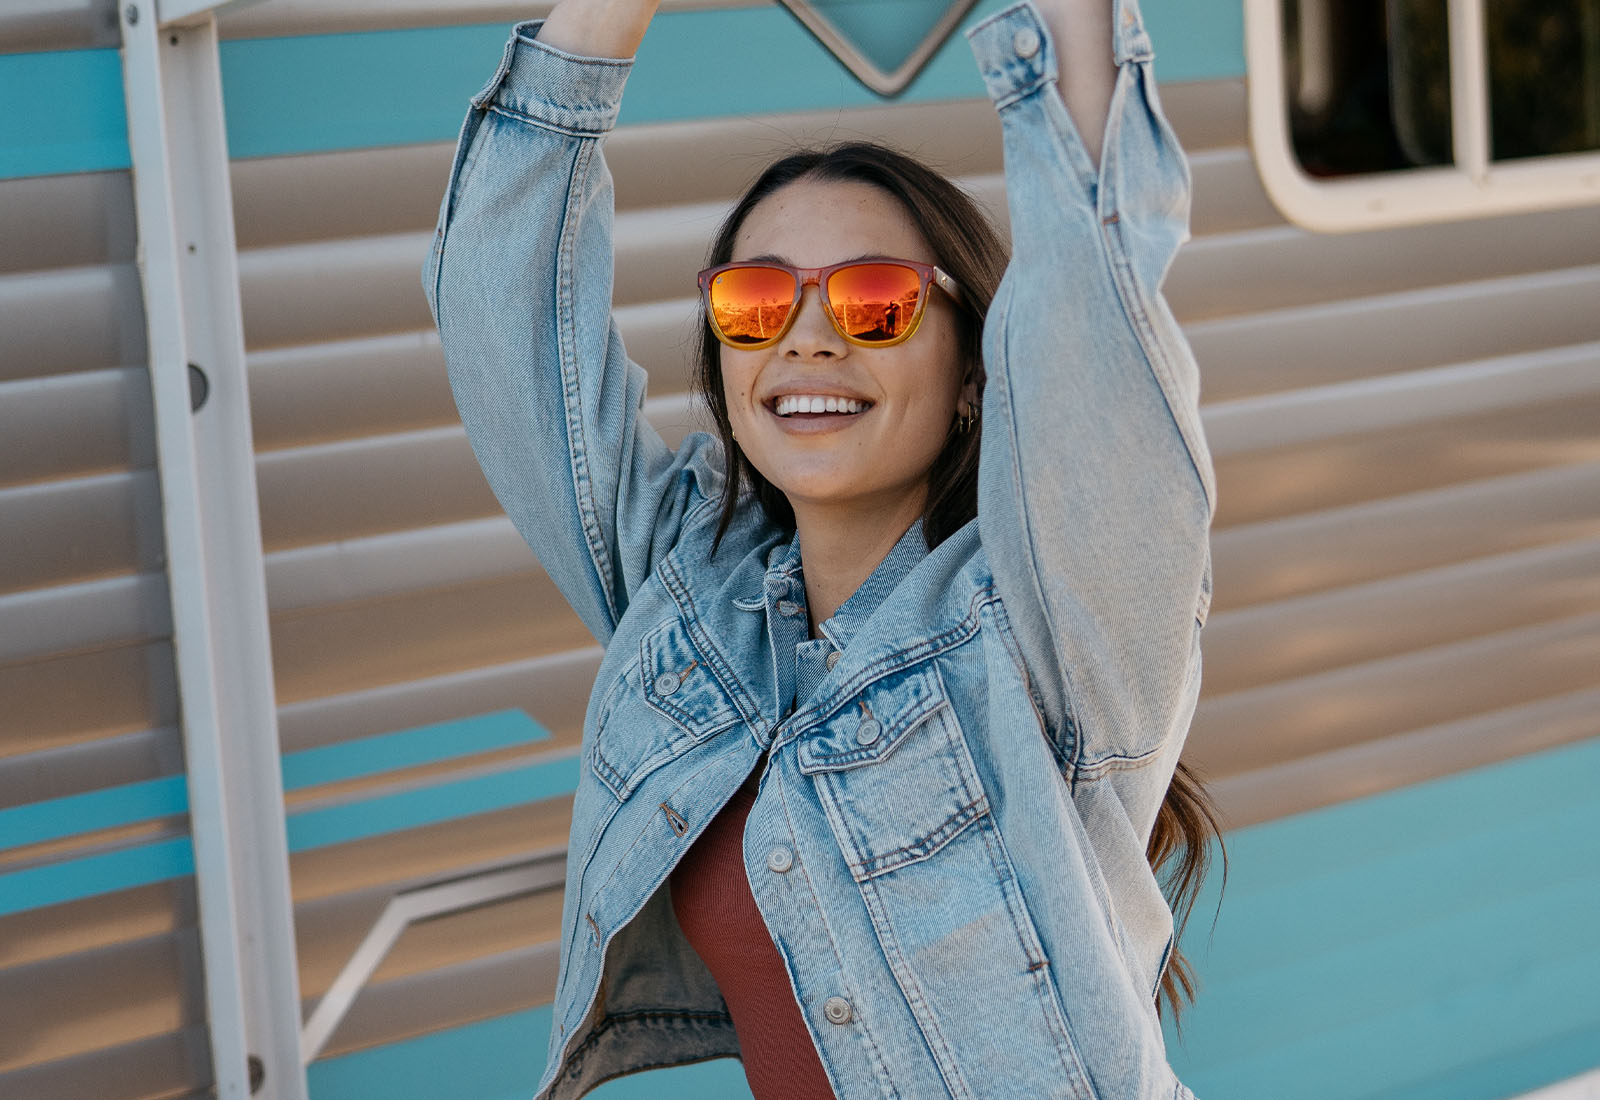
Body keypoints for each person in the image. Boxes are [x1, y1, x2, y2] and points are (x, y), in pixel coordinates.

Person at [424, 0, 1222, 1095]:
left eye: (876, 302)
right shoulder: (690, 596)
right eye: (755, 303)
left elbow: (1098, 309)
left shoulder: (1045, 628)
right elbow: (496, 309)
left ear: (972, 377)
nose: (806, 334)